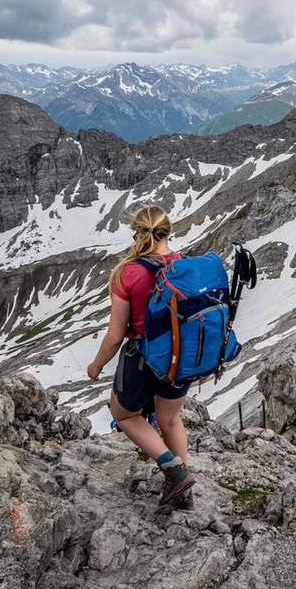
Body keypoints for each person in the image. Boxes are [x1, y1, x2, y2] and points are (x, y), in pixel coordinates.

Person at [86, 205, 196, 505]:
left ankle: (174, 473)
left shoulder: (129, 272)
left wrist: (96, 365)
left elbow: (115, 335)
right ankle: (183, 490)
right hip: (182, 357)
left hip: (146, 359)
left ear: (137, 233)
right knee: (170, 419)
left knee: (124, 414)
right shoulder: (183, 265)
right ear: (168, 231)